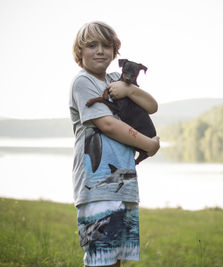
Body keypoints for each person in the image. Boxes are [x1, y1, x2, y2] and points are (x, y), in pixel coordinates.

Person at [69, 21, 160, 267]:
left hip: (124, 182)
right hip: (97, 184)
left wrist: (129, 91)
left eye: (106, 46)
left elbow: (152, 106)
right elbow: (108, 125)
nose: (100, 50)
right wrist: (149, 145)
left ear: (114, 52)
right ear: (80, 52)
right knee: (100, 257)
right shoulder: (83, 82)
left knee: (116, 258)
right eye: (91, 45)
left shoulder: (116, 80)